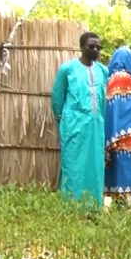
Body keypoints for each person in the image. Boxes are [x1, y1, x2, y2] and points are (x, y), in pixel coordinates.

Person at [51, 32, 109, 209]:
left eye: (98, 47)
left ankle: (93, 206)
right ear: (81, 47)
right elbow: (57, 97)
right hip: (73, 124)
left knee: (95, 165)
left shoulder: (103, 71)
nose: (95, 50)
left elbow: (102, 100)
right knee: (73, 165)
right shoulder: (67, 69)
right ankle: (71, 206)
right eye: (91, 46)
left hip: (96, 126)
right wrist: (63, 119)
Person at [104, 46, 131, 203]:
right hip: (126, 133)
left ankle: (113, 201)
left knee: (116, 166)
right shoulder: (123, 78)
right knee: (128, 166)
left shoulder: (111, 78)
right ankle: (130, 204)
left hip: (117, 130)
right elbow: (125, 106)